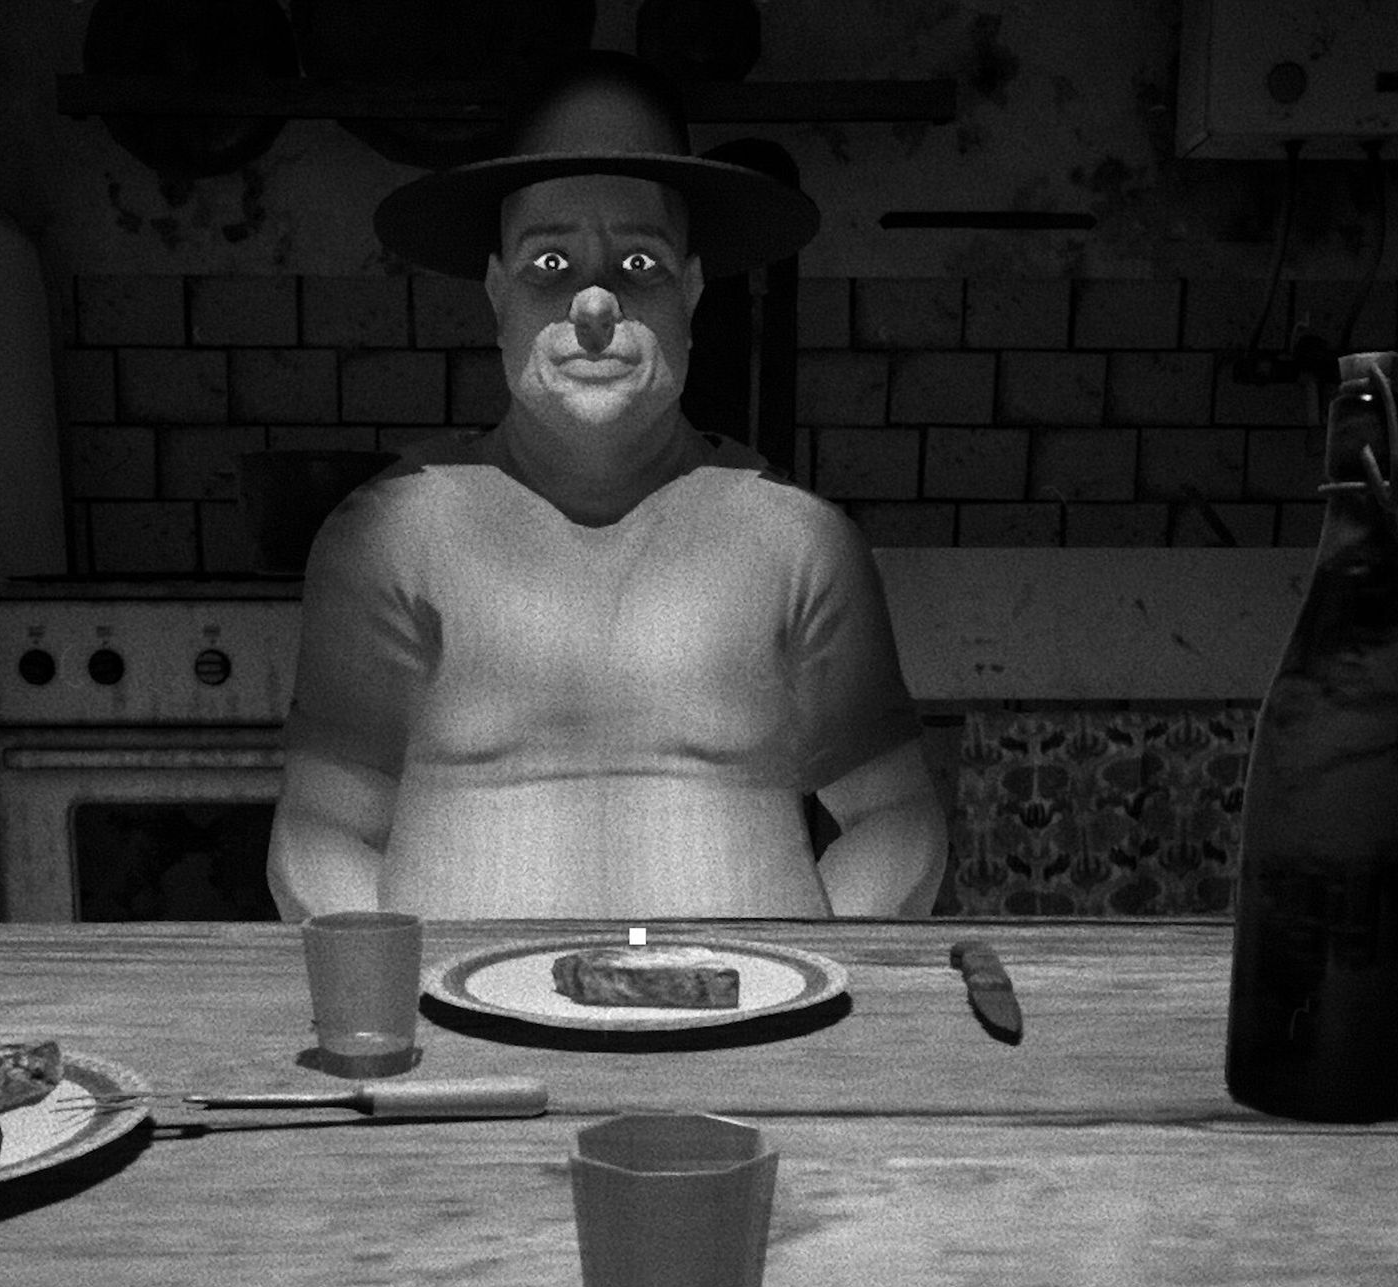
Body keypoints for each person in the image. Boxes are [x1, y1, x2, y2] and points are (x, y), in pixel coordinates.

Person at [269, 51, 944, 920]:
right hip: (453, 1010)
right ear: (497, 293)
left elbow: (896, 819)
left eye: (638, 266)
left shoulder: (797, 541)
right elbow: (319, 833)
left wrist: (814, 974)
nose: (594, 310)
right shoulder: (395, 534)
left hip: (750, 1009)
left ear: (691, 292)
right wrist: (397, 985)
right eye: (552, 265)